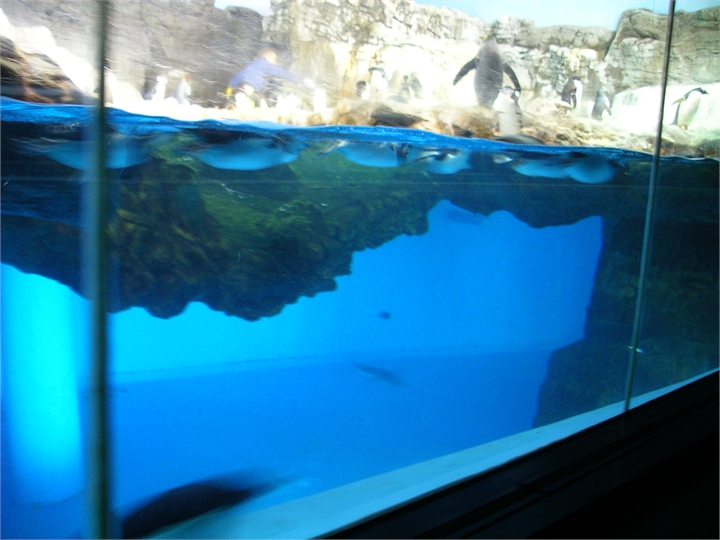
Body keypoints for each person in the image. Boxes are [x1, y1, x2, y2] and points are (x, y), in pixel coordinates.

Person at [226, 48, 313, 108]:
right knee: (246, 113)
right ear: (266, 57)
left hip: (239, 89)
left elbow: (236, 78)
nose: (275, 62)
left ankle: (232, 105)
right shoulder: (264, 64)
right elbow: (282, 73)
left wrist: (230, 90)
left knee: (238, 111)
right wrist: (301, 80)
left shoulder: (253, 65)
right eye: (274, 58)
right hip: (248, 90)